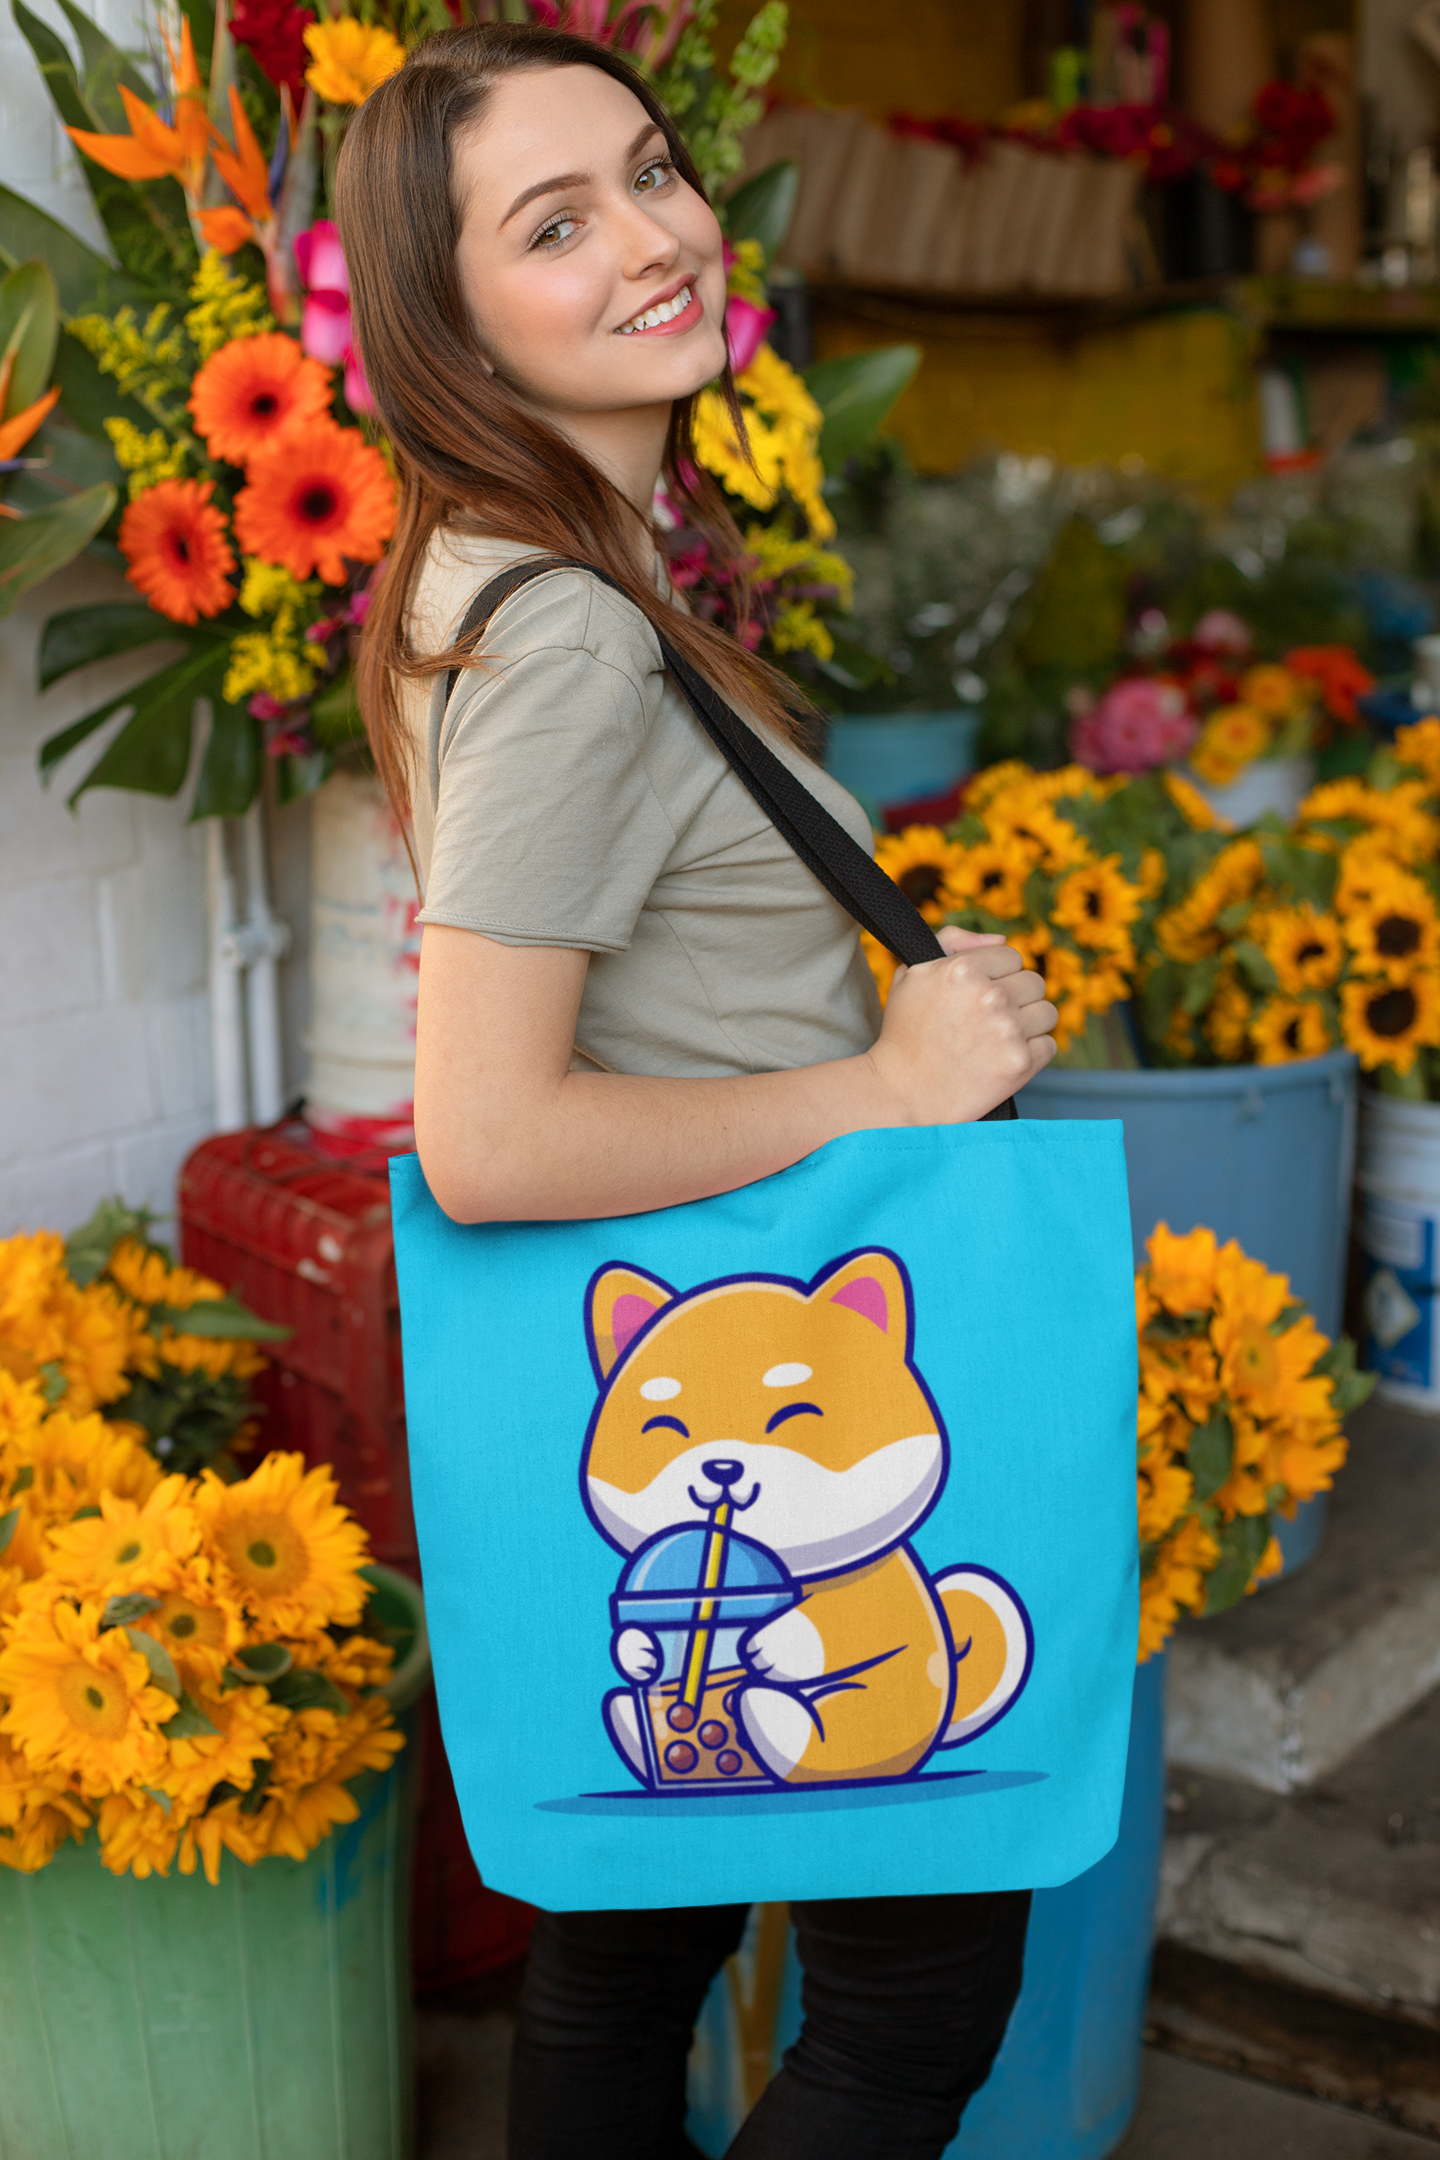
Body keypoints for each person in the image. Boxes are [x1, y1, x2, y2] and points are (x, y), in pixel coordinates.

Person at [336, 25, 1058, 2159]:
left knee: (628, 1957)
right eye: (555, 224)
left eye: (652, 173)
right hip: (753, 1395)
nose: (656, 236)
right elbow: (488, 1135)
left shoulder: (520, 578)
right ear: (448, 317)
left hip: (686, 1384)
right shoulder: (561, 631)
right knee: (916, 2000)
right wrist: (887, 1079)